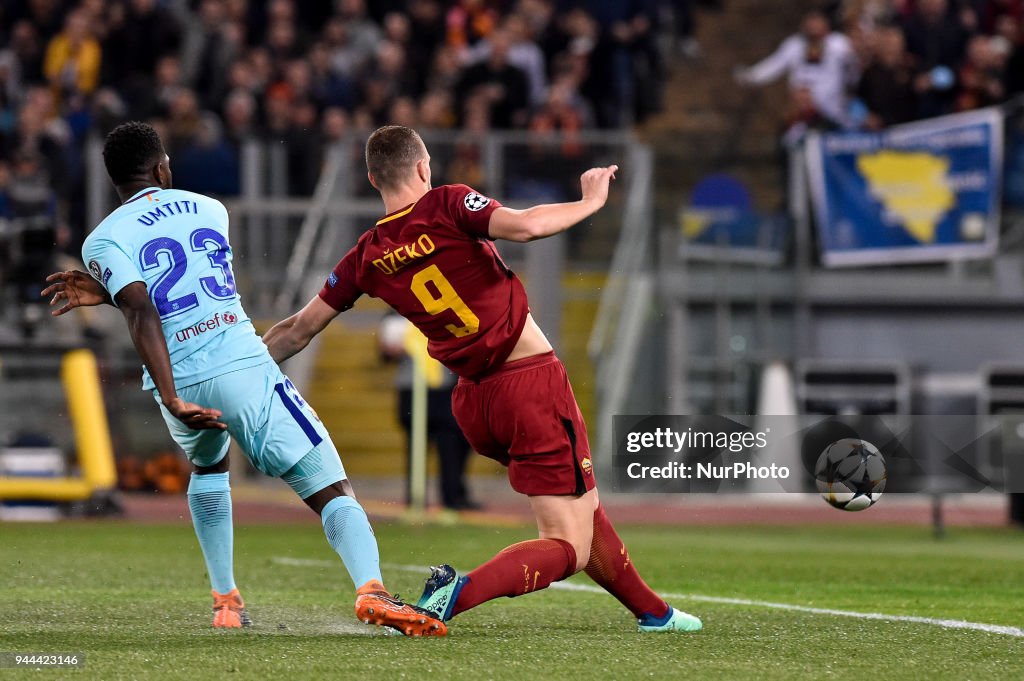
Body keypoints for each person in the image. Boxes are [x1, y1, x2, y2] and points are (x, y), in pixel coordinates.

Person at [261, 125, 702, 633]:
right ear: (424, 167)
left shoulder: (367, 255)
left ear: (371, 178)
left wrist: (240, 369)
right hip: (529, 385)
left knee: (582, 506)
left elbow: (299, 329)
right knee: (567, 546)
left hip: (473, 401)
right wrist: (590, 201)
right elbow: (526, 226)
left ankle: (654, 613)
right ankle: (452, 595)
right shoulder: (447, 203)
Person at [40, 121, 445, 637]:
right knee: (329, 486)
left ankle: (226, 600)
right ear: (163, 166)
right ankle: (372, 590)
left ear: (114, 179)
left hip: (181, 378)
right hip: (240, 363)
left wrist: (167, 392)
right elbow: (175, 278)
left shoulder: (100, 240)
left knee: (209, 469)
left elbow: (141, 308)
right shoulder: (211, 209)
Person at [378, 313, 478, 511]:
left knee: (451, 445)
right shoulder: (396, 315)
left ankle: (452, 497)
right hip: (413, 389)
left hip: (443, 388)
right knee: (417, 445)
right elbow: (385, 354)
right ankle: (417, 498)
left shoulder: (444, 310)